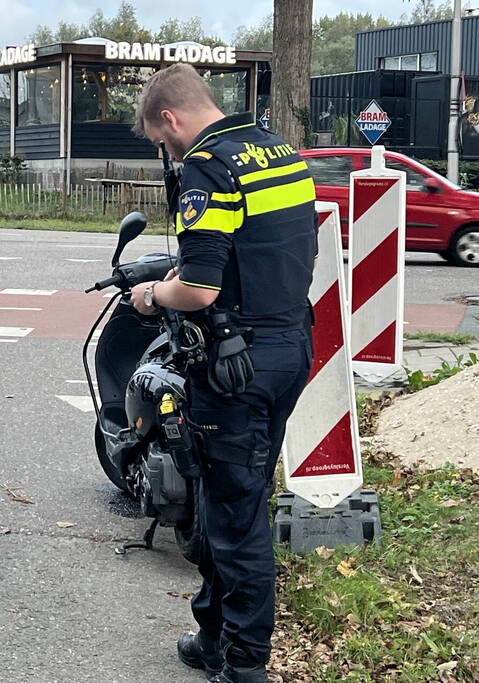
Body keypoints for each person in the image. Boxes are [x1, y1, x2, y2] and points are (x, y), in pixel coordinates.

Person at [130, 63, 317, 683]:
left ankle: (243, 666)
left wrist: (155, 293)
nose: (168, 152)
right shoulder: (278, 151)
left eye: (163, 142)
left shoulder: (209, 167)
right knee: (229, 497)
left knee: (237, 523)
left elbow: (201, 286)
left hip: (237, 364)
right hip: (291, 347)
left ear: (171, 118)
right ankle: (212, 631)